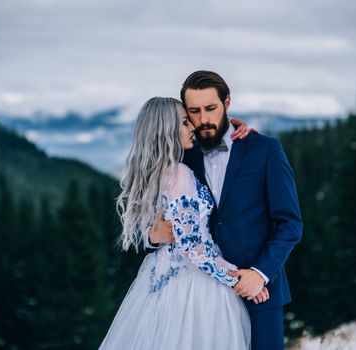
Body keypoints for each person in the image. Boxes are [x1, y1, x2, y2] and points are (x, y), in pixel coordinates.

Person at [149, 71, 303, 350]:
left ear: (227, 102)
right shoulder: (182, 155)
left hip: (259, 292)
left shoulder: (265, 149)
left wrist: (260, 273)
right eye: (194, 111)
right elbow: (146, 210)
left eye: (211, 108)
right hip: (199, 297)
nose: (204, 119)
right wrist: (151, 234)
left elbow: (290, 224)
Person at [99, 97, 267, 350]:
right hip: (194, 283)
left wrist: (233, 127)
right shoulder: (179, 173)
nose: (192, 128)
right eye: (185, 122)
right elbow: (191, 245)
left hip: (158, 279)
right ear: (167, 129)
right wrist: (235, 278)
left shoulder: (152, 172)